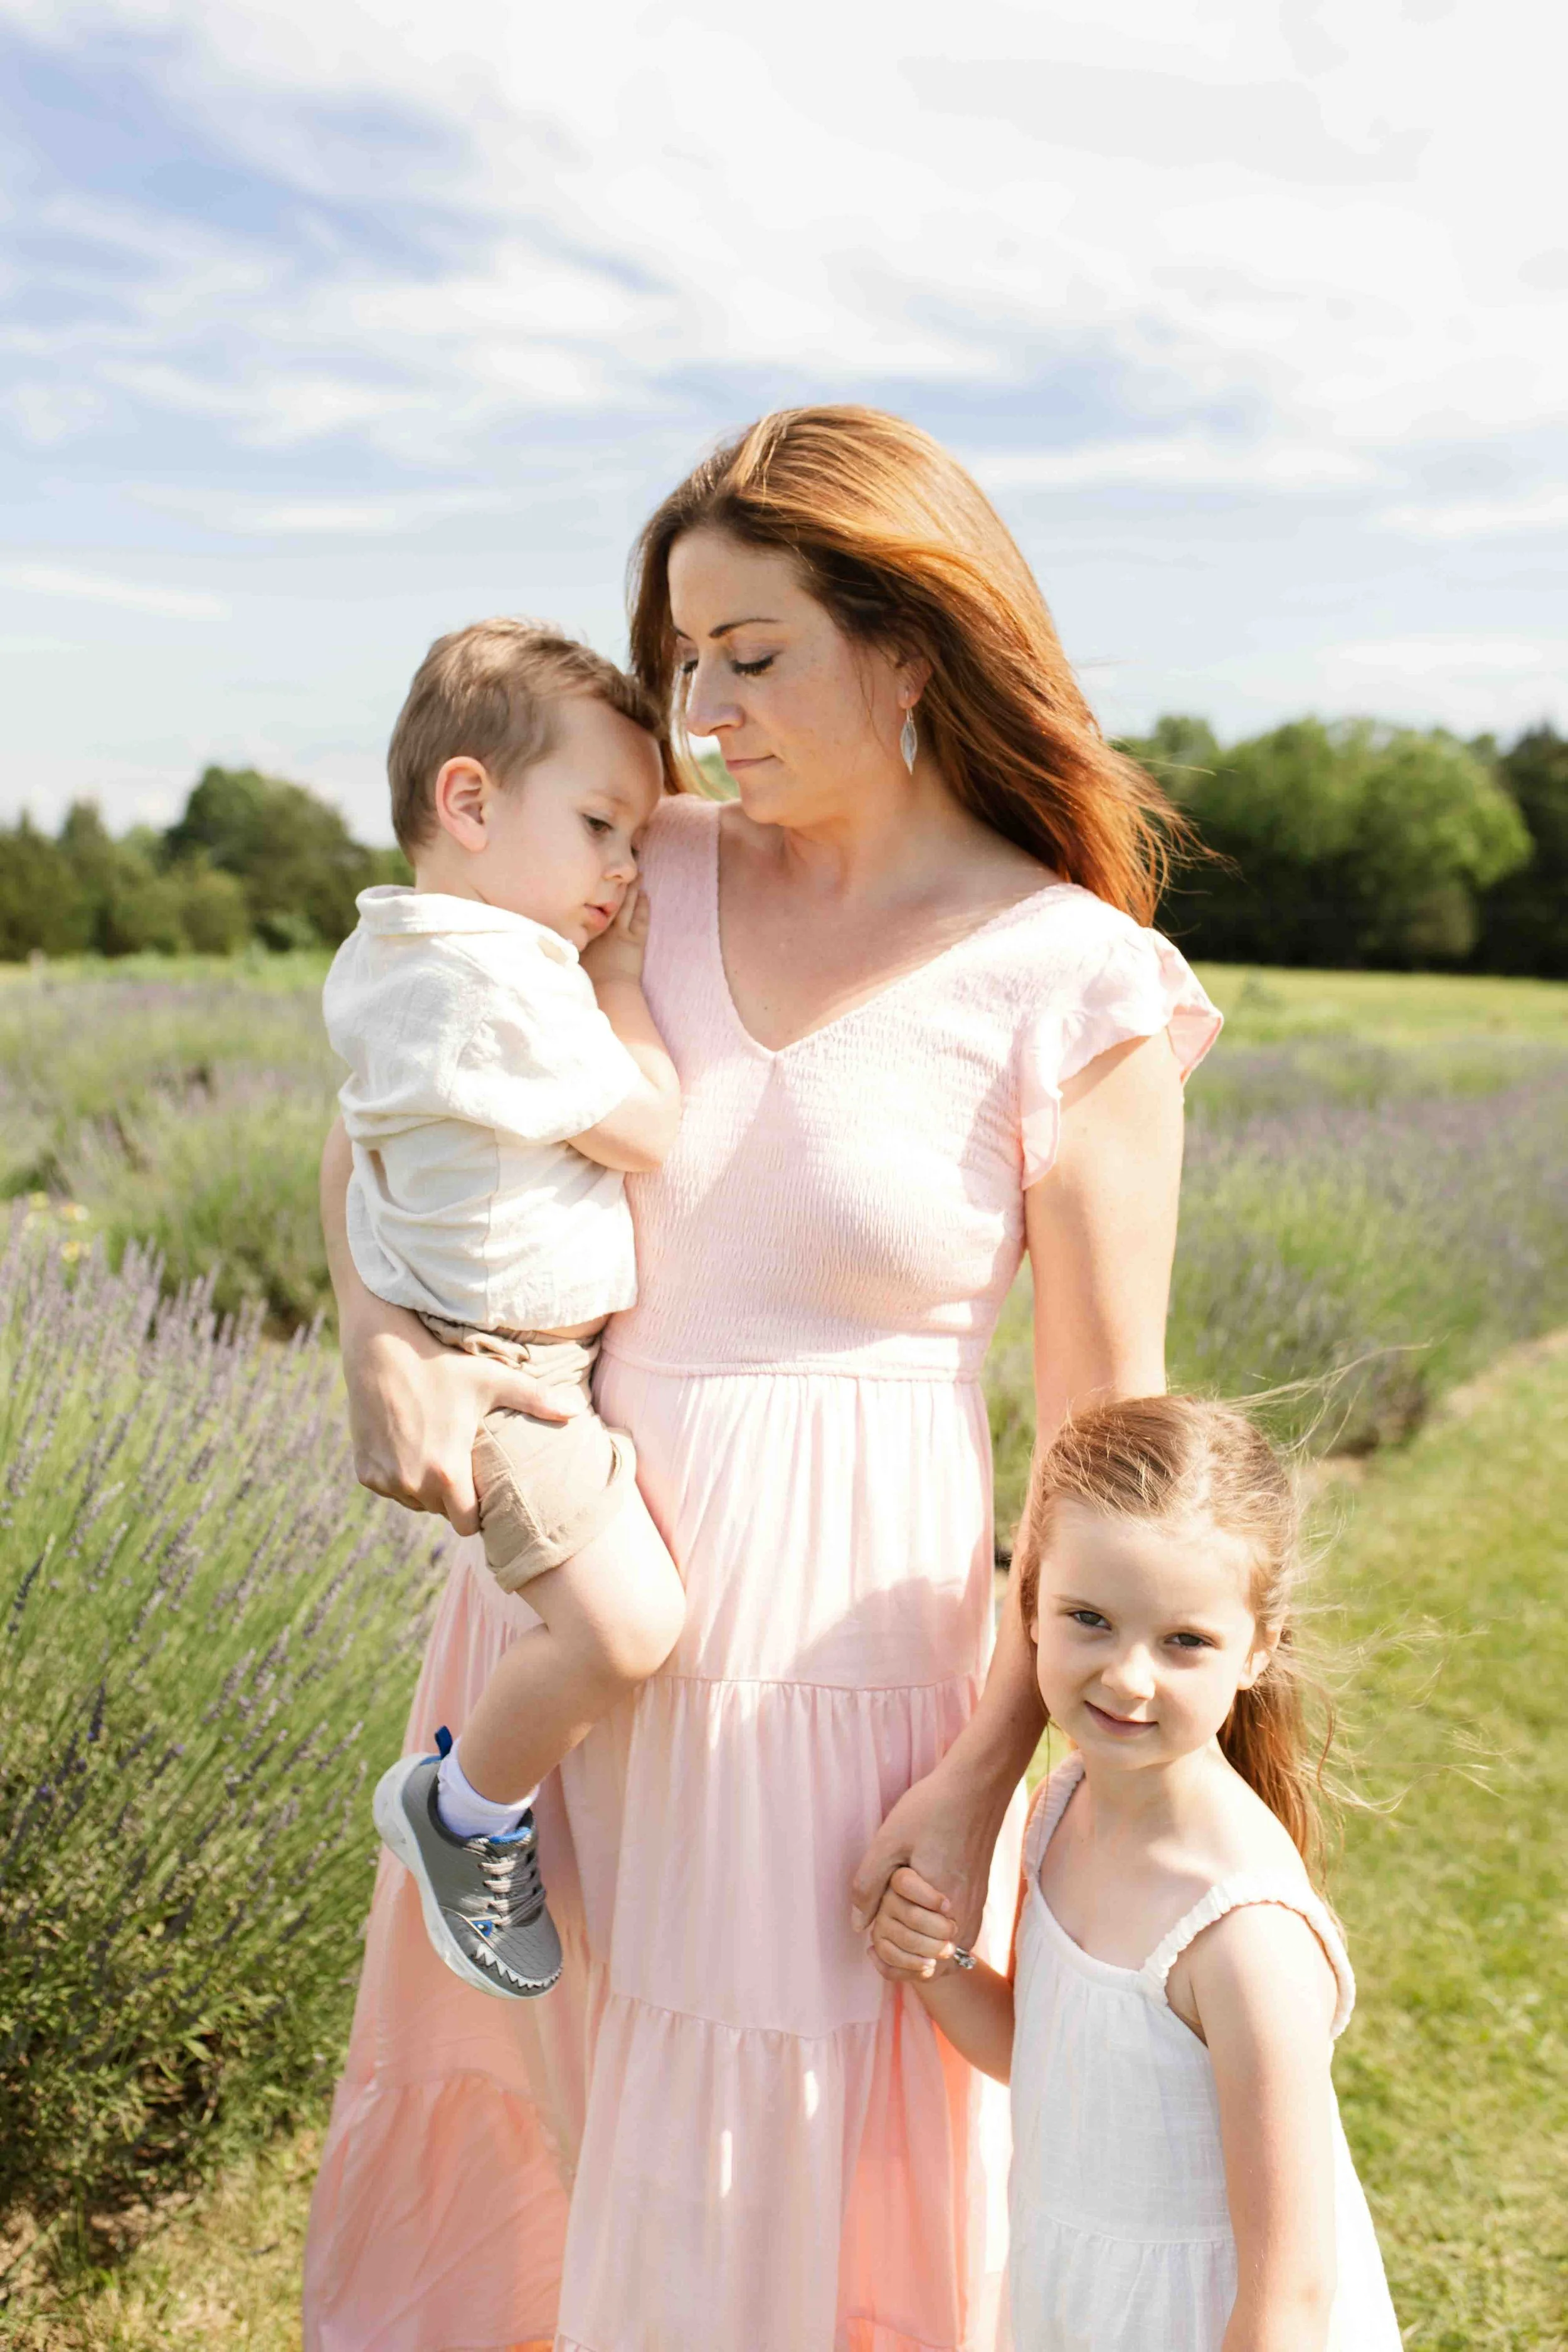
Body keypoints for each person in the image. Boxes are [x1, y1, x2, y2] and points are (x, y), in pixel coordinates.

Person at [303, 406, 1221, 2352]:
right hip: (574, 1621)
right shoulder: (645, 869)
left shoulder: (1073, 978)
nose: (701, 705)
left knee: (785, 2171)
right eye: (684, 653)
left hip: (852, 1671)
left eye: (752, 650)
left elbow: (1101, 1440)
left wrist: (987, 1779)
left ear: (908, 648)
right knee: (553, 2139)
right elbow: (402, 1083)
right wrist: (377, 1338)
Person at [870, 1395, 1402, 2351]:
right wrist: (939, 1963)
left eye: (1183, 1641)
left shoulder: (1243, 1938)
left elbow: (1291, 2294)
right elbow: (1047, 2059)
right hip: (1078, 2301)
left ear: (1259, 1648)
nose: (1126, 1677)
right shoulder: (1061, 1809)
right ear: (1027, 1602)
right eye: (1090, 1618)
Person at [322, 620, 686, 2000]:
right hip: (507, 1376)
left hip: (503, 1352)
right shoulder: (492, 985)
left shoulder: (413, 952)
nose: (624, 870)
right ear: (467, 802)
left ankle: (473, 1797)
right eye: (600, 824)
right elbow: (646, 1128)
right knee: (624, 1631)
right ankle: (464, 1807)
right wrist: (625, 985)